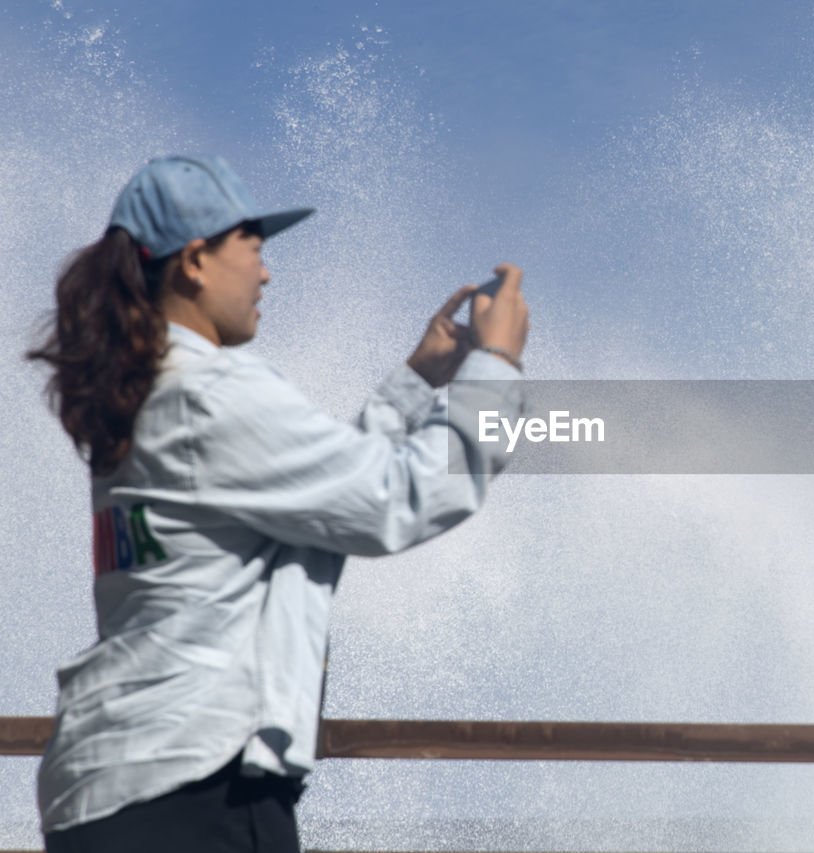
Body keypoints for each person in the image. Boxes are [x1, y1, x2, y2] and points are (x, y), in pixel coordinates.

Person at [26, 155, 529, 852]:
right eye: (255, 250)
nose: (266, 273)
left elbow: (316, 506)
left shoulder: (149, 388)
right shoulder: (208, 392)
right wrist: (495, 365)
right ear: (196, 261)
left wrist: (417, 382)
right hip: (191, 794)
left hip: (126, 788)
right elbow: (396, 498)